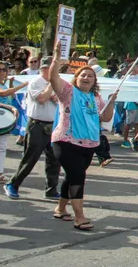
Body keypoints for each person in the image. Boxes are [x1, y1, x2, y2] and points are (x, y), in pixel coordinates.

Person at [46, 49, 118, 230]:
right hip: (65, 141)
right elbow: (53, 78)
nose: (86, 77)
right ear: (76, 78)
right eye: (83, 75)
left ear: (95, 81)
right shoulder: (67, 92)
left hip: (89, 144)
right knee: (78, 175)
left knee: (72, 176)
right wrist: (55, 59)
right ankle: (80, 217)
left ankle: (61, 209)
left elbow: (106, 117)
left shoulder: (95, 97)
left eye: (90, 76)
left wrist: (111, 102)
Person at [5, 56, 60, 199]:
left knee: (54, 159)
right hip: (37, 124)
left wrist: (53, 92)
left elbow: (60, 99)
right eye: (52, 69)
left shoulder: (57, 82)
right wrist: (51, 88)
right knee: (31, 158)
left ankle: (51, 189)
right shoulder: (36, 82)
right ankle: (13, 184)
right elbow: (42, 99)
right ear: (44, 69)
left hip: (53, 125)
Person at [0, 61, 28, 183]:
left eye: (4, 69)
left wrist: (12, 84)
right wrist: (23, 85)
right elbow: (2, 93)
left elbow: (10, 96)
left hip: (4, 119)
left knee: (2, 146)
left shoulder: (3, 84)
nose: (2, 72)